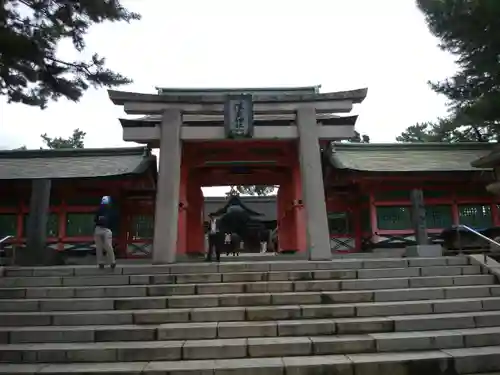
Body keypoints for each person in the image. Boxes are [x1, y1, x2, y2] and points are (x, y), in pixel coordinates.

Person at [94, 196, 116, 269]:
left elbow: (113, 221)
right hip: (99, 228)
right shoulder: (99, 210)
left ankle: (112, 261)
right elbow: (95, 219)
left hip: (106, 229)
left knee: (107, 245)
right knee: (99, 246)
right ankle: (101, 262)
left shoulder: (111, 211)